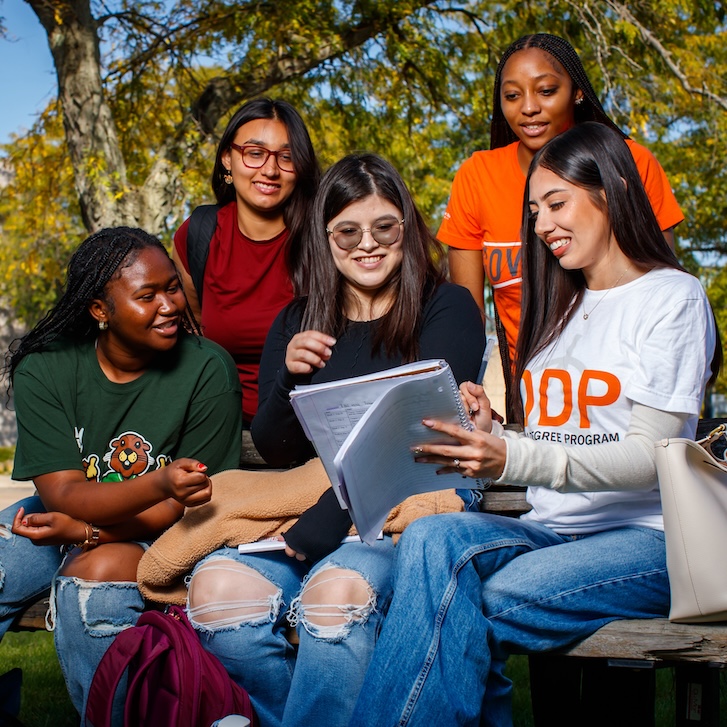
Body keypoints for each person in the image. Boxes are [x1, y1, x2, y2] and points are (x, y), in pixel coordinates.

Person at [350, 123, 721, 726]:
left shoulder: (671, 298)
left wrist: (512, 460)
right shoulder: (561, 310)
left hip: (647, 539)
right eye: (534, 211)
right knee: (429, 541)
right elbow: (565, 437)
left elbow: (649, 453)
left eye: (557, 203)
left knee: (452, 601)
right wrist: (493, 434)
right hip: (551, 530)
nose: (542, 224)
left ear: (614, 191)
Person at [184, 153, 485, 727]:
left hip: (409, 508)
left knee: (333, 595)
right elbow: (276, 449)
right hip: (314, 510)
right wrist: (287, 379)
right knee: (218, 590)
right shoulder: (299, 319)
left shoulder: (447, 307)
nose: (367, 244)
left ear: (406, 228)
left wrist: (328, 519)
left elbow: (425, 433)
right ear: (326, 238)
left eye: (384, 227)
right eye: (347, 231)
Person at [3, 228, 242, 721]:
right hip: (60, 515)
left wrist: (89, 533)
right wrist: (82, 524)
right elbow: (64, 494)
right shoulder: (46, 367)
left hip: (165, 531)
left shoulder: (206, 370)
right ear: (99, 310)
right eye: (146, 295)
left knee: (91, 584)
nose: (170, 304)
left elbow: (183, 506)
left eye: (172, 287)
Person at [439, 33, 684, 407]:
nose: (528, 108)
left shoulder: (629, 162)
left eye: (546, 90)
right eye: (512, 95)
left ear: (578, 92)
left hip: (623, 382)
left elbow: (662, 288)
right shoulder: (478, 176)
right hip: (531, 390)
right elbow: (467, 320)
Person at [173, 97, 320, 429]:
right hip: (219, 431)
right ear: (228, 158)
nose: (270, 170)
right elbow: (193, 344)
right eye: (255, 153)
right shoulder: (196, 235)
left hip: (307, 434)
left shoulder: (325, 239)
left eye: (286, 157)